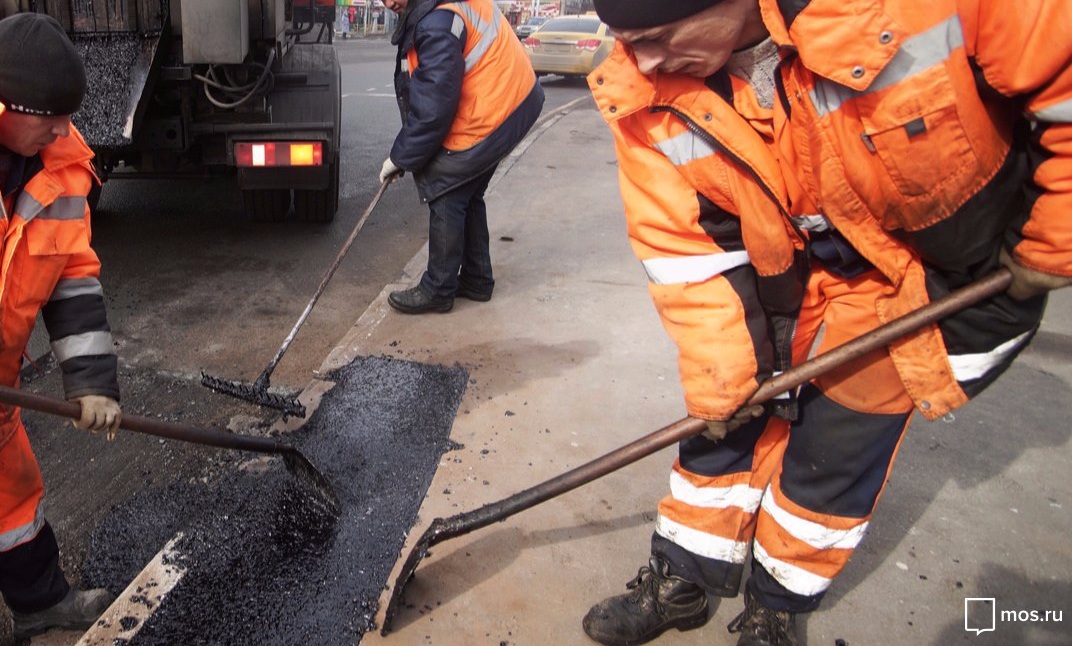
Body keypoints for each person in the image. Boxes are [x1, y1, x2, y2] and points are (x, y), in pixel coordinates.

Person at [582, 1, 1072, 645]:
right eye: (625, 42)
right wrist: (720, 377)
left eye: (657, 38)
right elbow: (682, 250)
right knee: (721, 426)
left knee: (835, 453)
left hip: (910, 277)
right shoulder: (639, 92)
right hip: (774, 277)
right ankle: (682, 580)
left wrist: (1055, 238)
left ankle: (777, 604)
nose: (641, 62)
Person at [0, 12, 124, 640]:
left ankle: (38, 603)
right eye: (46, 114)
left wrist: (92, 381)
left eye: (65, 115)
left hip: (0, 386)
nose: (60, 128)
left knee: (13, 497)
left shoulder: (62, 170)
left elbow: (71, 276)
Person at [380, 0, 544, 314]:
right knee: (469, 191)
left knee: (445, 187)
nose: (388, 3)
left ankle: (438, 289)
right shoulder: (438, 10)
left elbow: (433, 109)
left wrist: (401, 158)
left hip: (496, 110)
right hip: (513, 100)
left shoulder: (437, 22)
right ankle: (477, 280)